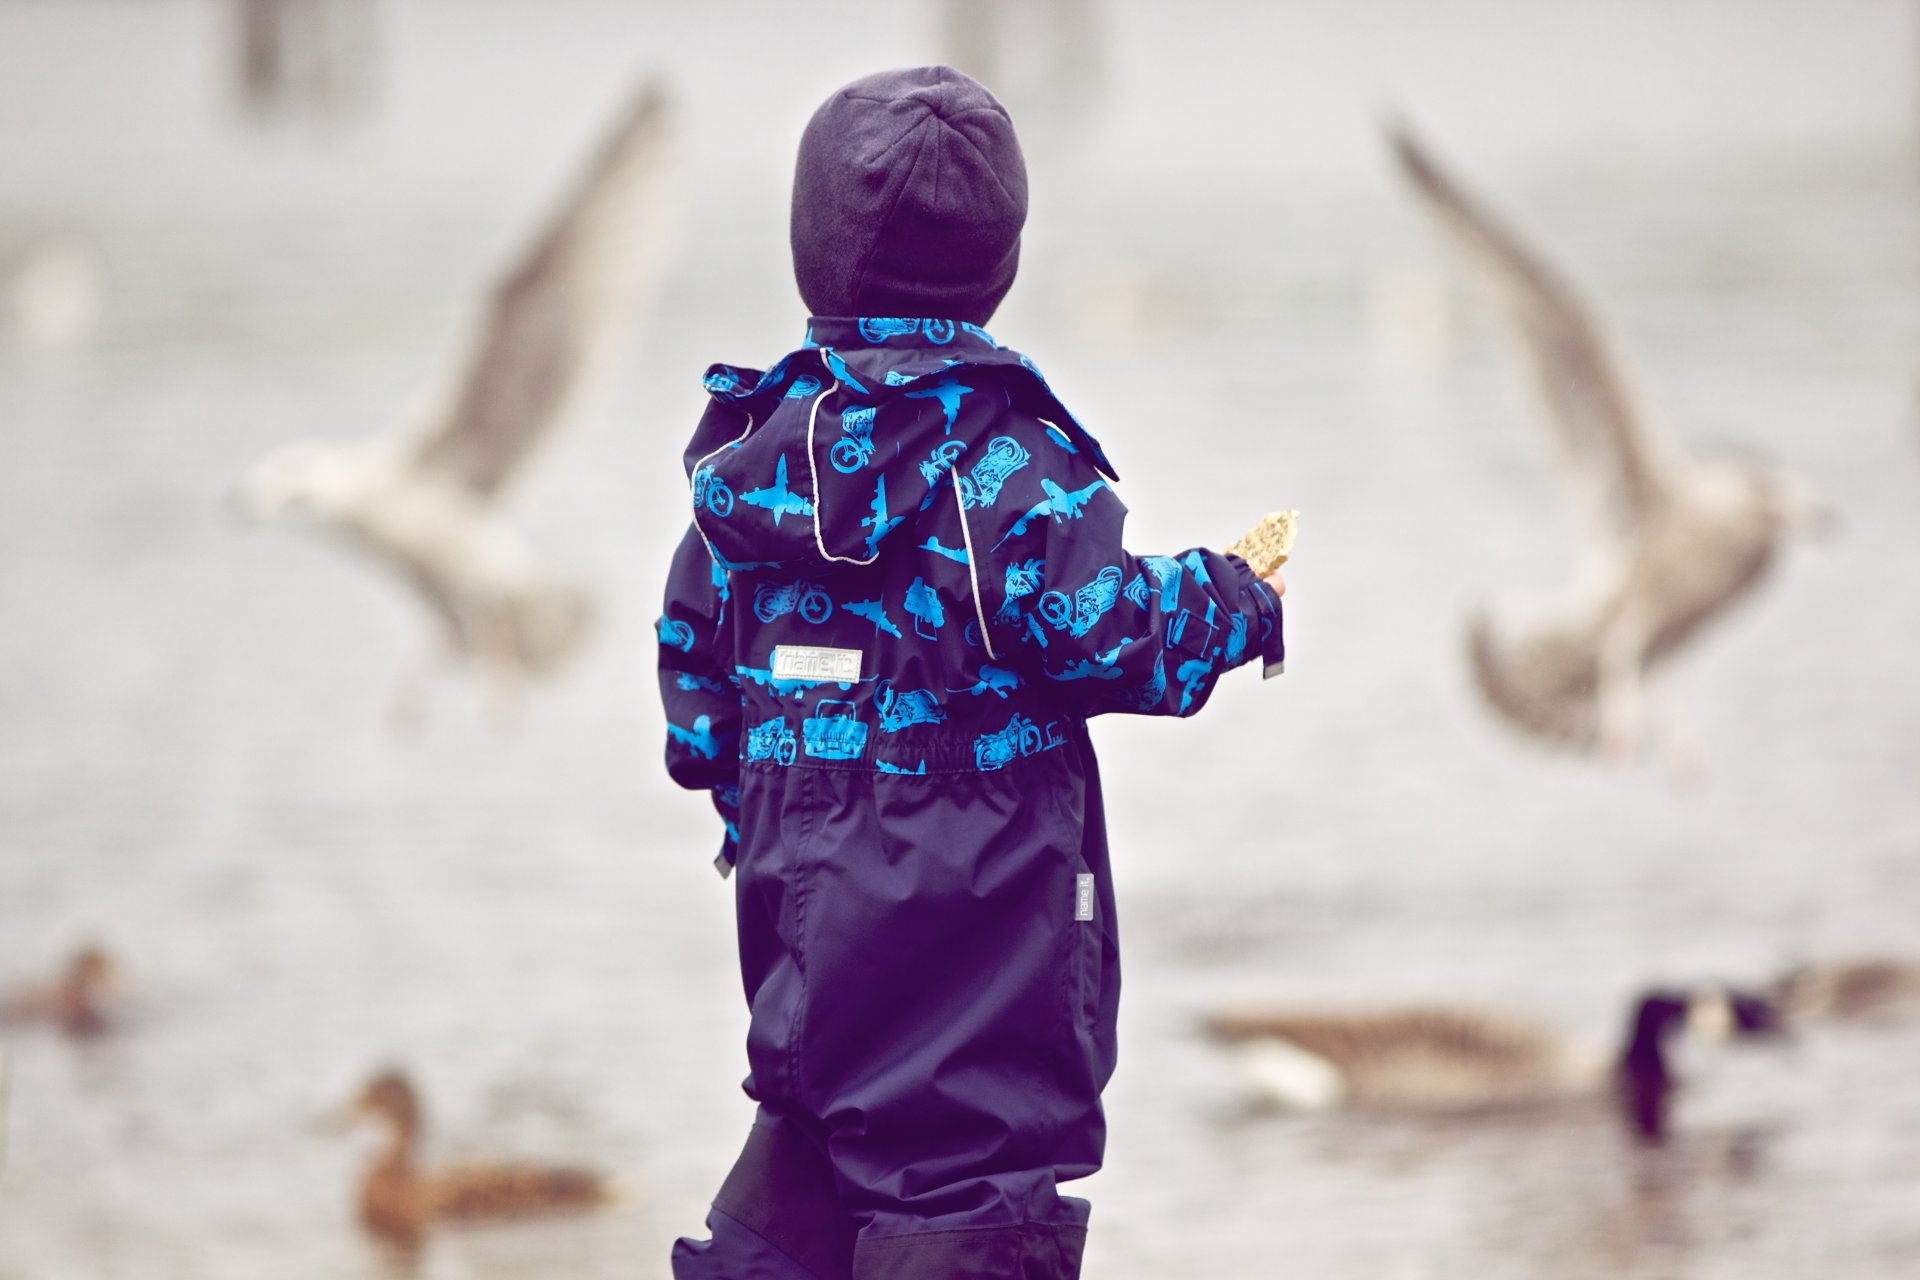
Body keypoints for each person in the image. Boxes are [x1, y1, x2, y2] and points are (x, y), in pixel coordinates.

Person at [657, 65, 1286, 1280]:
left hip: (807, 985)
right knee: (966, 1215)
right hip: (976, 1023)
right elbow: (1117, 631)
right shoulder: (1007, 476)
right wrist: (1236, 596)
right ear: (996, 264)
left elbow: (695, 697)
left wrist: (759, 798)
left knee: (803, 1175)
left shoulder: (751, 477)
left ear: (812, 252)